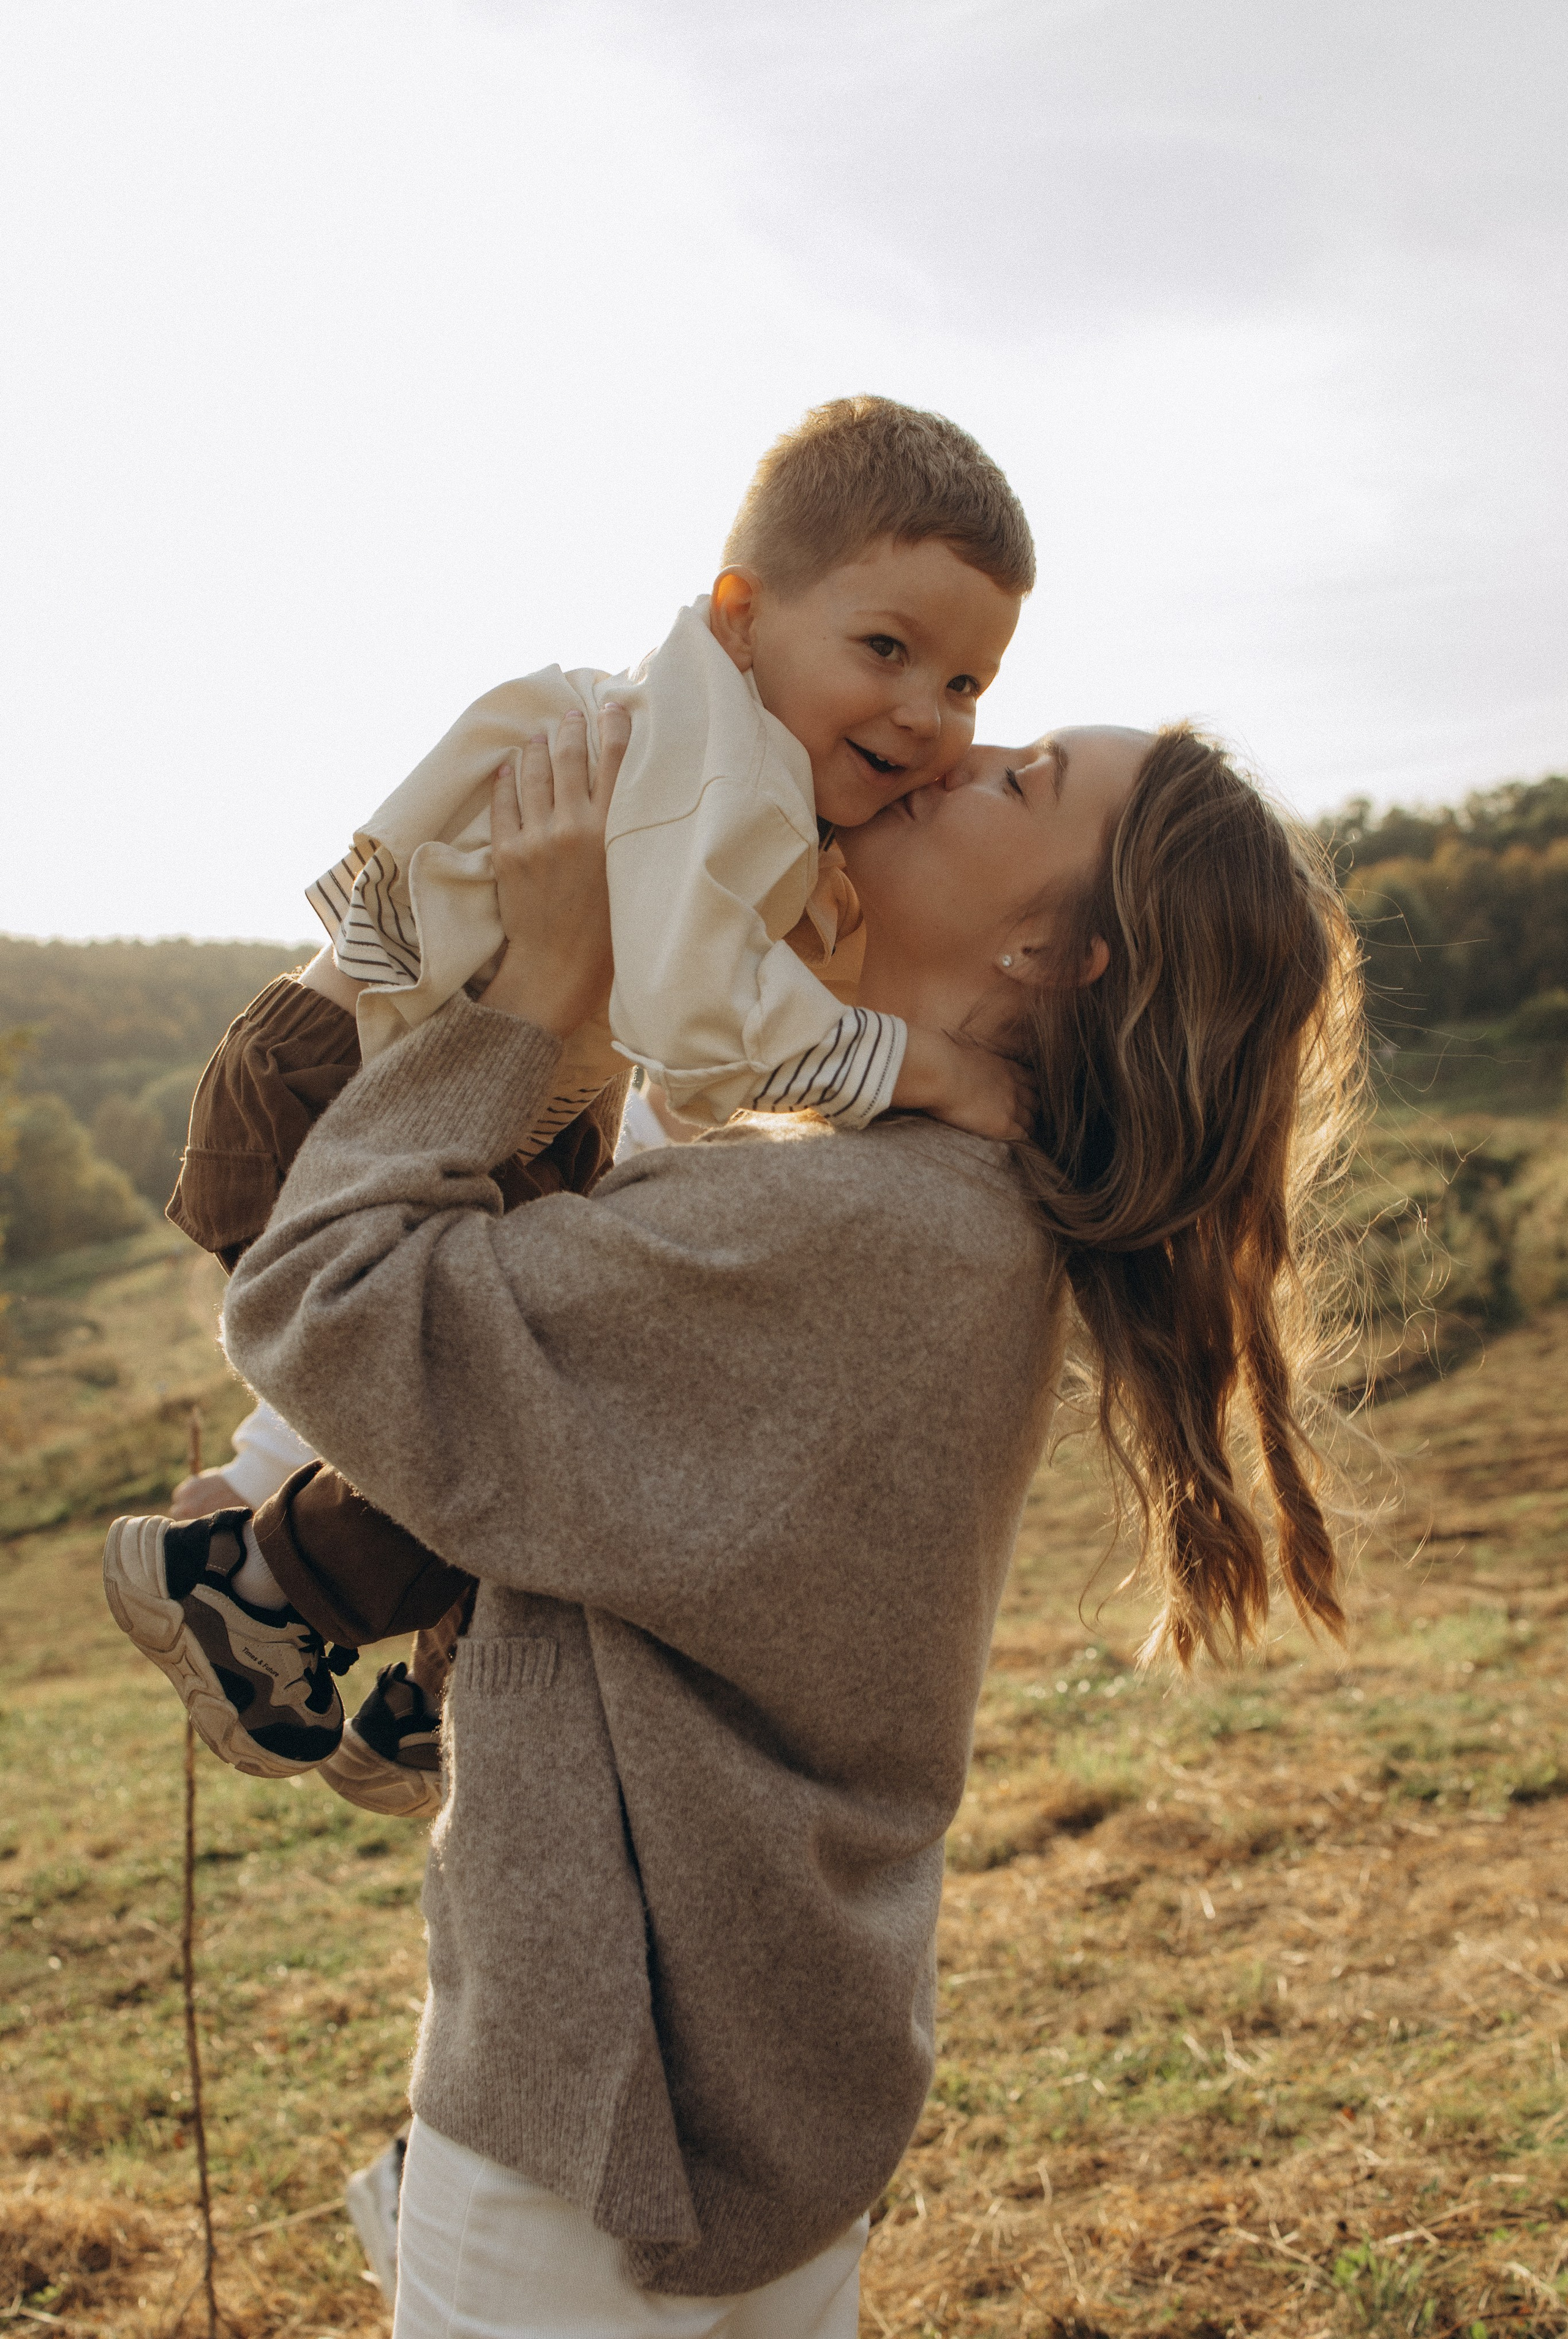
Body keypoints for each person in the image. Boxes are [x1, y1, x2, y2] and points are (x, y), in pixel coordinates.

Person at [194, 706, 1357, 2334]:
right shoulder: (945, 1206)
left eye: (1021, 781)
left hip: (602, 2107)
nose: (954, 758)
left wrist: (544, 987)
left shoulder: (851, 1222)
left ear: (1053, 954)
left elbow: (326, 1302)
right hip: (769, 2072)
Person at [102, 393, 1036, 1795]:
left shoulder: (723, 757)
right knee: (506, 1400)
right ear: (741, 617)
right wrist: (933, 1067)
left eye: (965, 684)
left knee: (546, 1384)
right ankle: (245, 1584)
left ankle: (426, 1669)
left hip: (461, 1105)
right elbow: (690, 1021)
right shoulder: (714, 772)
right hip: (351, 1110)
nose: (924, 713)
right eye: (885, 649)